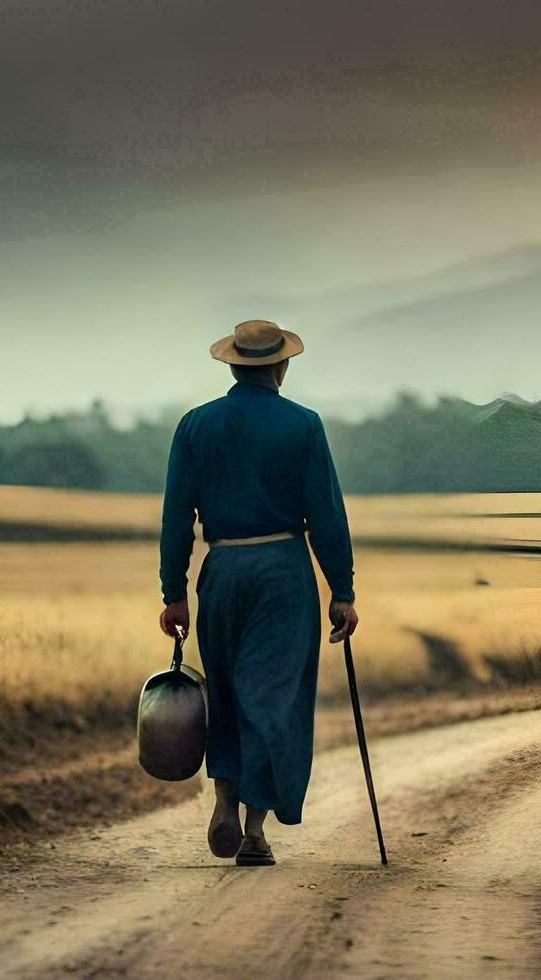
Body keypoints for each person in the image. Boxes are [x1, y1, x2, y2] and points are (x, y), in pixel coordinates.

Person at [158, 318, 358, 867]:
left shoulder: (194, 426)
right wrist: (342, 587)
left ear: (233, 365)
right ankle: (253, 829)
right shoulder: (304, 426)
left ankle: (223, 797)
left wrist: (173, 592)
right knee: (270, 697)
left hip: (221, 570)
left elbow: (177, 517)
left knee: (221, 690)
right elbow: (326, 515)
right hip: (282, 574)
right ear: (281, 366)